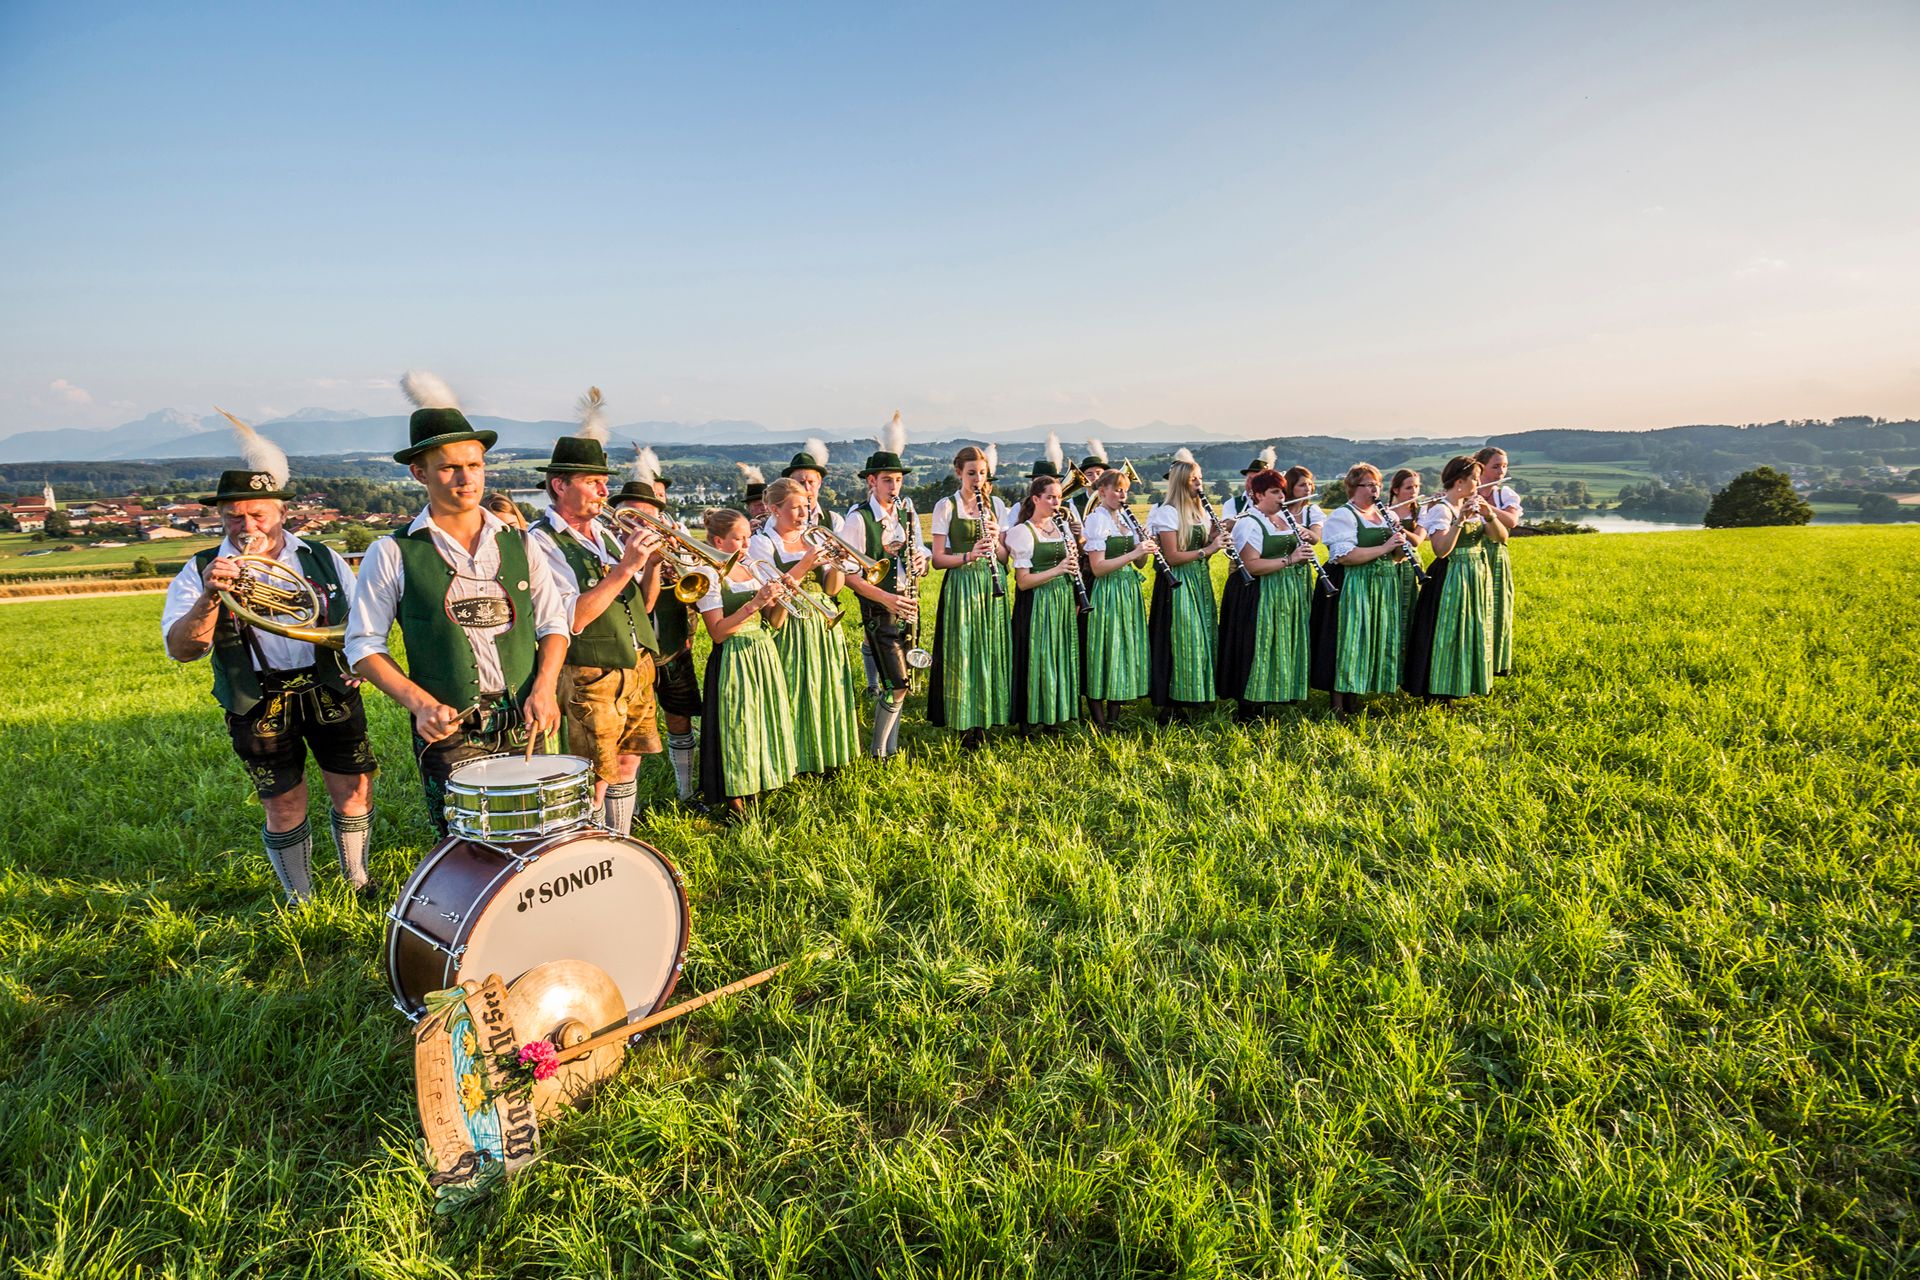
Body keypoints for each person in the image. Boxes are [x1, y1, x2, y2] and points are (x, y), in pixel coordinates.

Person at [346, 372, 569, 835]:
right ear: (419, 473)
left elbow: (552, 624)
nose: (467, 479)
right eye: (450, 468)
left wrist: (545, 687)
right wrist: (421, 704)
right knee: (465, 844)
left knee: (534, 835)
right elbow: (363, 645)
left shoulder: (522, 543)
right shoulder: (393, 551)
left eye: (475, 465)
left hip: (523, 717)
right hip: (448, 727)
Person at [162, 424, 376, 902]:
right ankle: (302, 899)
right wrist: (210, 597)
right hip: (257, 698)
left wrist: (356, 662)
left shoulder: (322, 557)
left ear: (282, 512)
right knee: (283, 804)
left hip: (329, 687)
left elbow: (361, 622)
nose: (247, 527)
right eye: (234, 517)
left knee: (354, 789)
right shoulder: (200, 569)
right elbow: (182, 648)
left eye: (257, 514)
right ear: (221, 518)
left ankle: (358, 880)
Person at [525, 401, 665, 836]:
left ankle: (620, 839)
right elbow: (571, 618)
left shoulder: (604, 533)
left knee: (627, 761)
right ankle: (591, 847)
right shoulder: (541, 541)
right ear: (559, 485)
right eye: (592, 482)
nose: (604, 491)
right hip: (589, 672)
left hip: (636, 664)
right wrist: (626, 566)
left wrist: (653, 565)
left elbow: (644, 604)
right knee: (595, 774)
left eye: (604, 482)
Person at [750, 477, 861, 775]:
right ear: (775, 509)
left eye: (806, 506)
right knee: (793, 690)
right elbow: (771, 595)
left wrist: (837, 562)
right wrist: (804, 565)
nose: (803, 514)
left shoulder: (813, 538)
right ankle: (795, 761)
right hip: (789, 622)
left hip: (822, 621)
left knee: (826, 687)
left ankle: (827, 756)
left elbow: (832, 589)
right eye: (795, 508)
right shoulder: (762, 542)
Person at [694, 508, 798, 819]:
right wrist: (755, 603)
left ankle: (760, 780)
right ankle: (735, 797)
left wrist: (783, 598)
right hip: (733, 656)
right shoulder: (709, 575)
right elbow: (717, 632)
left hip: (762, 652)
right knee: (737, 726)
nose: (746, 545)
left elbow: (775, 622)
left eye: (748, 538)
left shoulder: (752, 568)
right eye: (739, 539)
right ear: (718, 541)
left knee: (761, 721)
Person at [610, 466, 701, 804]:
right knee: (626, 733)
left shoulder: (669, 540)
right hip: (629, 653)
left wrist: (677, 559)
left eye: (649, 516)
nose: (642, 523)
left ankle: (685, 791)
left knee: (679, 716)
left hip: (672, 645)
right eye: (635, 515)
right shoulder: (607, 545)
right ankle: (625, 804)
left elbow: (699, 590)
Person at [836, 427, 926, 759]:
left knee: (901, 683)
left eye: (898, 480)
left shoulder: (907, 514)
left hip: (907, 602)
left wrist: (921, 561)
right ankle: (878, 752)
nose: (894, 487)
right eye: (887, 480)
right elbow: (848, 576)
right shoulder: (859, 519)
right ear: (871, 481)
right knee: (896, 683)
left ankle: (890, 747)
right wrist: (886, 598)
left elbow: (921, 554)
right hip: (880, 608)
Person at [926, 445, 1013, 748]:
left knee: (990, 649)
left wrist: (996, 539)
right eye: (971, 473)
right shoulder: (946, 506)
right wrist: (968, 555)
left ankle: (986, 718)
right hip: (962, 583)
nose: (977, 479)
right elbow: (937, 559)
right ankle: (963, 722)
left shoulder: (996, 505)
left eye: (982, 473)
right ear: (959, 473)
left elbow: (1005, 557)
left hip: (992, 583)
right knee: (963, 651)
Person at [1404, 456, 1508, 700]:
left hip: (1475, 573)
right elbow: (1441, 550)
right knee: (1449, 631)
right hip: (1452, 575)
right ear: (1459, 482)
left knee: (1471, 628)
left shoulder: (1475, 505)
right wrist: (1460, 520)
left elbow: (1501, 538)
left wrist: (1489, 514)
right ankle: (1440, 690)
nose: (1478, 483)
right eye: (1474, 479)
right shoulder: (1442, 509)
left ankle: (1463, 683)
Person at [1214, 467, 1315, 718]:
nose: (1282, 497)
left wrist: (1303, 553)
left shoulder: (1283, 519)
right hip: (1256, 593)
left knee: (1275, 645)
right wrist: (1290, 559)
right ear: (1258, 495)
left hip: (1281, 591)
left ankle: (1268, 699)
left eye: (1282, 492)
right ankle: (1248, 709)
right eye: (1275, 492)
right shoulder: (1249, 522)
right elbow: (1250, 565)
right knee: (1255, 646)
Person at [1316, 464, 1408, 717]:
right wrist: (1385, 547)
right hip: (1354, 583)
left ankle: (1354, 699)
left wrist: (1400, 545)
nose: (1375, 490)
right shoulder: (1343, 516)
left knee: (1370, 640)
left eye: (1377, 484)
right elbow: (1344, 556)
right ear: (1353, 487)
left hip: (1383, 584)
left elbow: (1397, 557)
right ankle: (1337, 706)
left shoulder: (1387, 515)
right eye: (1369, 485)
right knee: (1350, 640)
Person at [1147, 451, 1230, 720]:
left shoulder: (1199, 511)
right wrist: (1209, 549)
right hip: (1178, 583)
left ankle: (1196, 695)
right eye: (1194, 479)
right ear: (1182, 482)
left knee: (1202, 636)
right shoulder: (1168, 512)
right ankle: (1172, 703)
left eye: (1200, 479)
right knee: (1182, 639)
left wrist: (1215, 536)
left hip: (1198, 579)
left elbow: (1201, 549)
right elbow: (1172, 557)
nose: (1199, 484)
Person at [1005, 474, 1084, 732]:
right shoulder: (1022, 532)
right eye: (1050, 497)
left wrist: (1075, 594)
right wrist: (1058, 569)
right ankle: (1029, 720)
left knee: (1059, 655)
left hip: (1062, 599)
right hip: (1037, 602)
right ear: (1036, 499)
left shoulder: (1062, 528)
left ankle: (1054, 715)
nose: (1056, 502)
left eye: (1058, 497)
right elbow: (1023, 582)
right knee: (1037, 658)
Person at [1080, 468, 1157, 727]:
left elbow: (1140, 564)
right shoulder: (1096, 520)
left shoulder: (1126, 518)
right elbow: (1098, 568)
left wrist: (1144, 546)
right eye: (1117, 490)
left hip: (1128, 591)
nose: (1122, 495)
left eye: (1125, 490)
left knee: (1123, 649)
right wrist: (1133, 553)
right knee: (1103, 648)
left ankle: (1114, 719)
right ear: (1102, 492)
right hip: (1106, 590)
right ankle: (1099, 721)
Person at [1474, 446, 1523, 676]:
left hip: (1496, 555)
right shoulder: (1465, 491)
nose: (1501, 471)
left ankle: (1495, 664)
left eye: (1504, 466)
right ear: (1481, 467)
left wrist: (1487, 508)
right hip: (1472, 554)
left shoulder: (1505, 494)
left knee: (1497, 608)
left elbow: (1512, 521)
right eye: (1496, 466)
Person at [1384, 468, 1428, 642]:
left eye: (1416, 487)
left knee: (1409, 607)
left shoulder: (1421, 511)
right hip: (1388, 562)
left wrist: (1401, 529)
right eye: (1409, 488)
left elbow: (1417, 540)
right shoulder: (1384, 511)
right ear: (1396, 490)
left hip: (1410, 565)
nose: (1414, 491)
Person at [1220, 447, 1277, 520]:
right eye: (1250, 479)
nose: (1253, 484)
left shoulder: (1277, 504)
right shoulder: (1232, 504)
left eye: (1258, 481)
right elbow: (1227, 523)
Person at [1072, 442, 1109, 518]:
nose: (1095, 477)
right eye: (1089, 474)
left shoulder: (1114, 501)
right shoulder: (1072, 503)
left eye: (1099, 473)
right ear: (1082, 478)